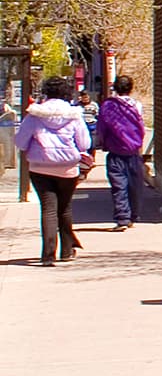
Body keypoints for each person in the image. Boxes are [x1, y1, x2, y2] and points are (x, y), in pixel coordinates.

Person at [14, 76, 93, 265]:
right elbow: (84, 143)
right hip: (67, 168)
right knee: (64, 208)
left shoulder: (34, 115)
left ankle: (48, 254)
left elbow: (20, 142)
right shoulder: (74, 115)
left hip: (40, 168)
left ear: (46, 93)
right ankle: (67, 251)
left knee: (48, 209)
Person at [97, 75, 145, 231]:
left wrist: (103, 143)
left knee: (119, 186)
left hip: (115, 150)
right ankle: (133, 215)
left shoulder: (108, 106)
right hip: (133, 151)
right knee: (134, 185)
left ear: (115, 88)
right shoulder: (136, 105)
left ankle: (123, 218)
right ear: (131, 88)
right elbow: (141, 128)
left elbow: (102, 128)